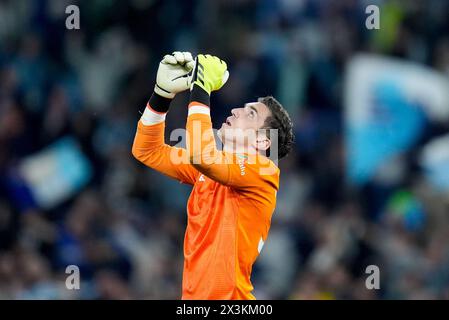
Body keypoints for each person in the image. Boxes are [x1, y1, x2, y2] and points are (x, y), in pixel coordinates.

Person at [132, 52, 294, 299]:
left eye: (250, 114)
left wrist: (201, 87)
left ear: (263, 140)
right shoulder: (213, 170)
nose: (237, 110)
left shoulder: (263, 171)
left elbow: (201, 155)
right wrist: (162, 95)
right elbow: (147, 150)